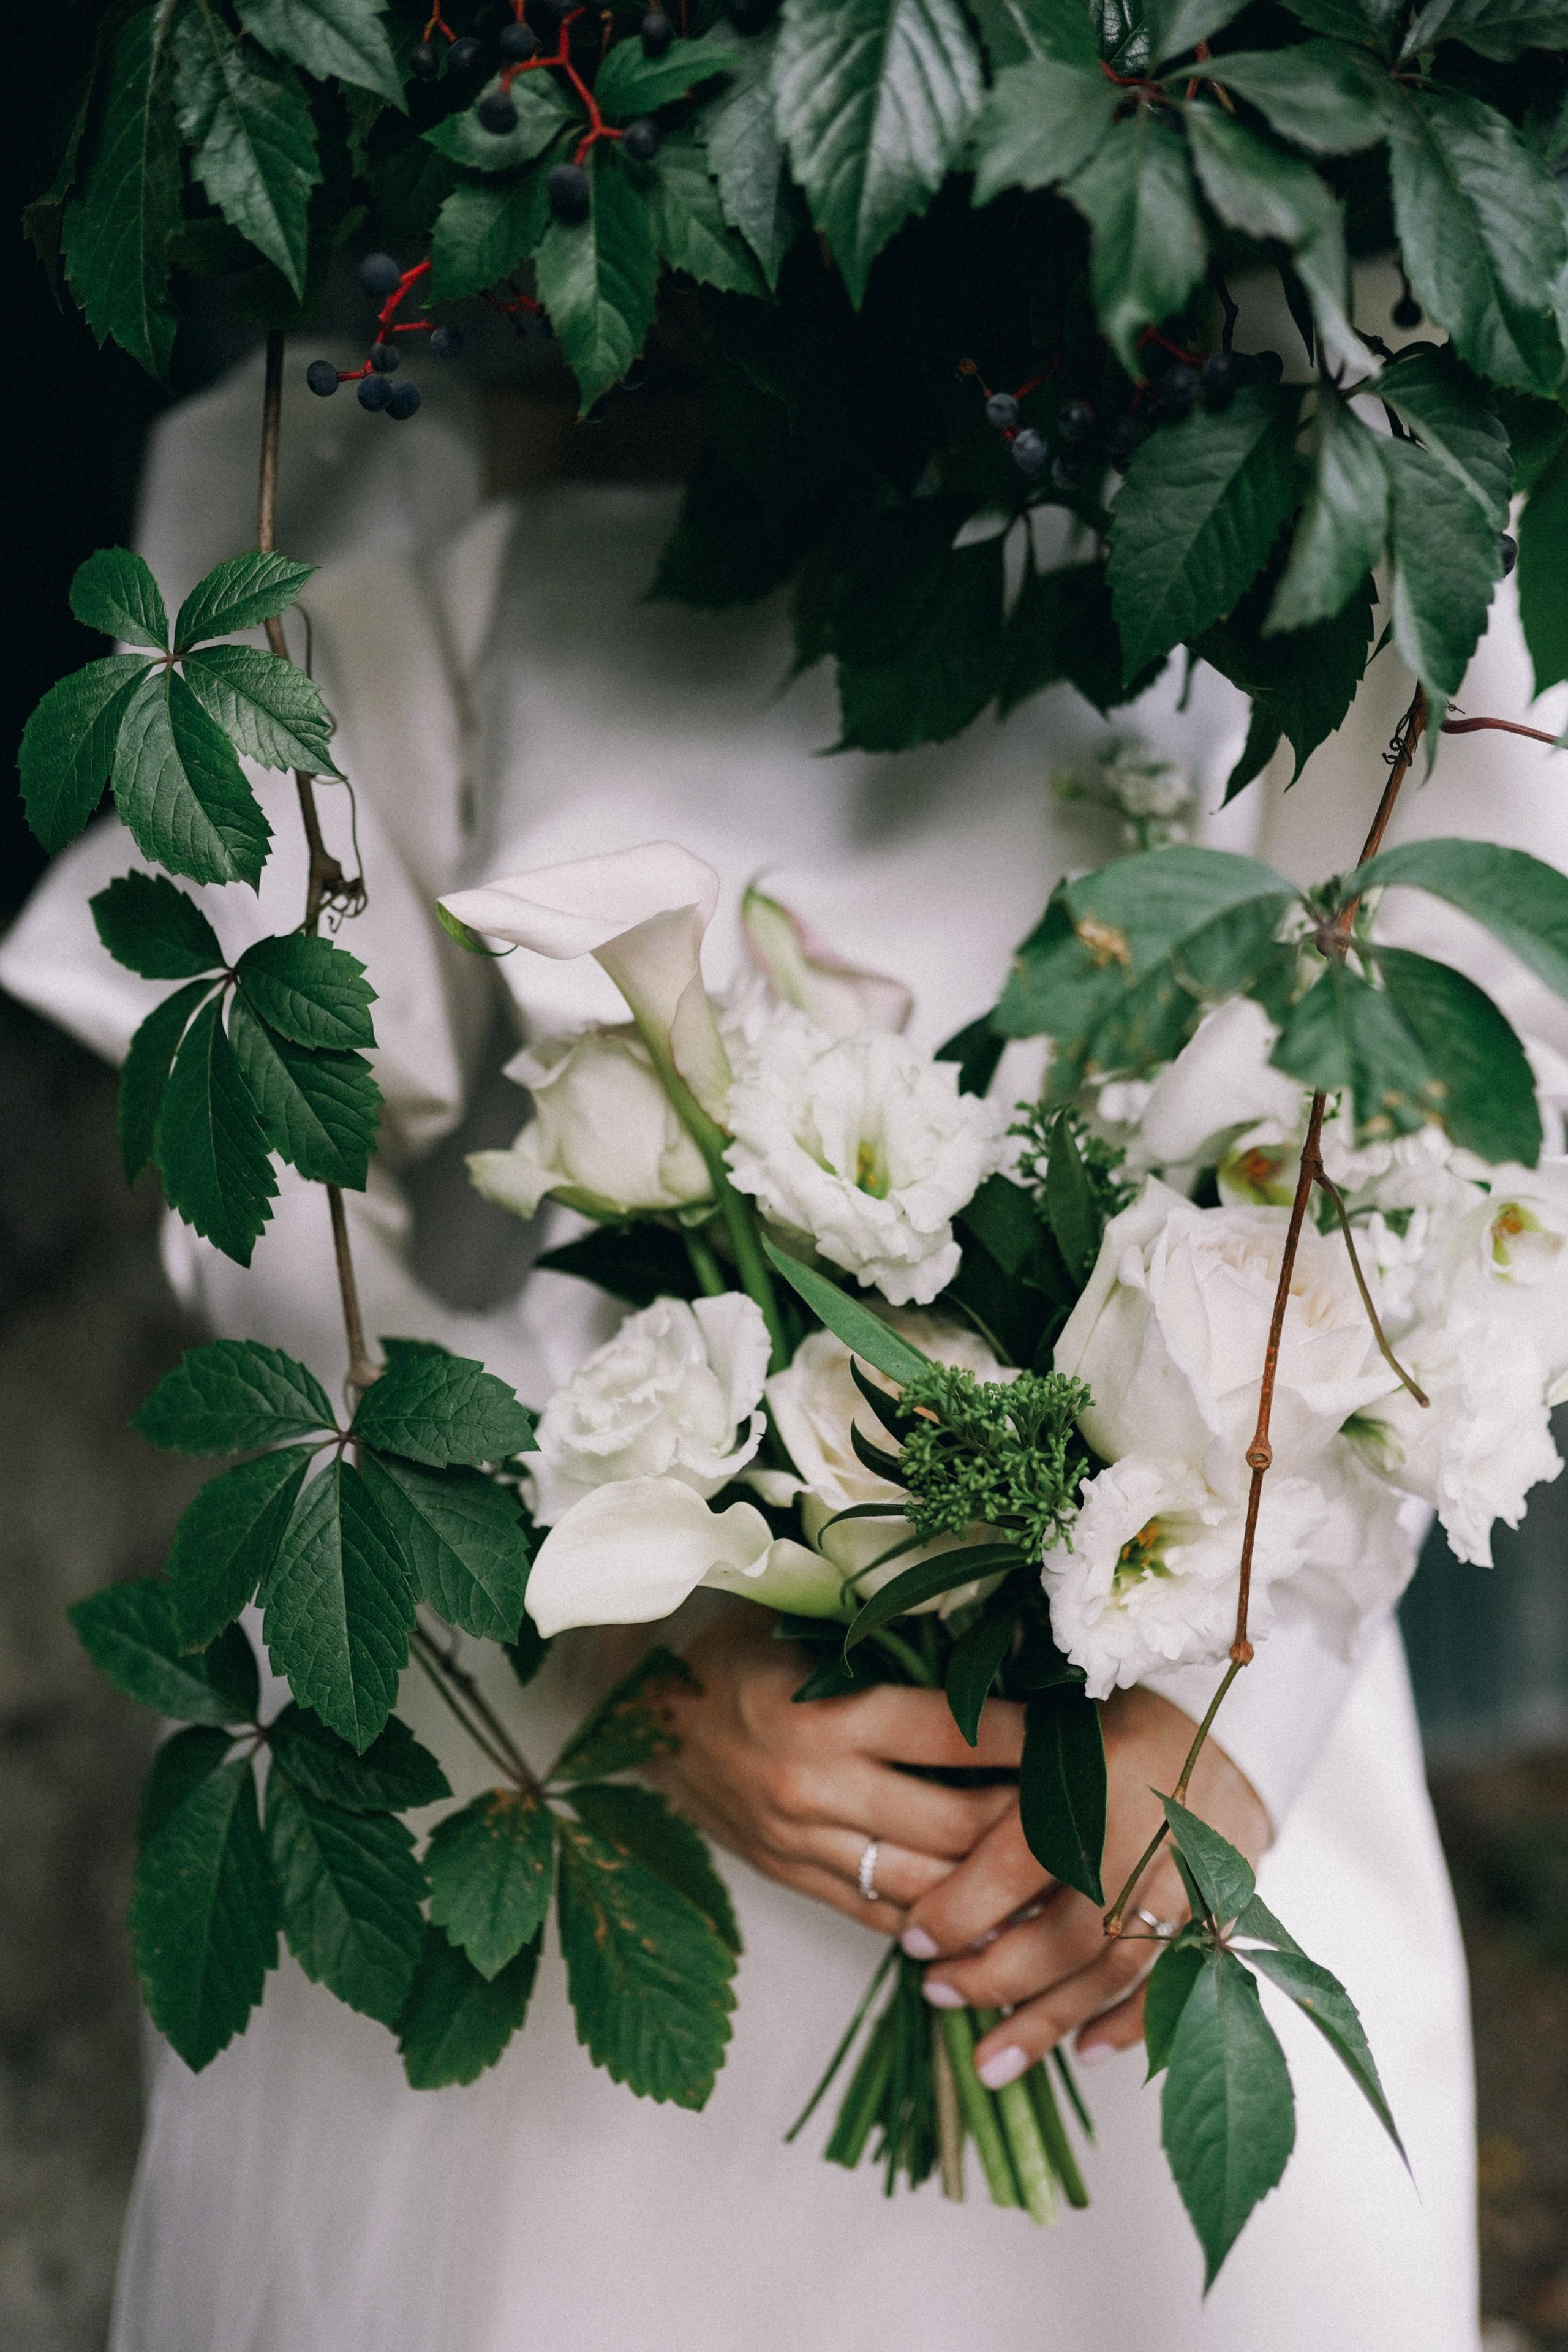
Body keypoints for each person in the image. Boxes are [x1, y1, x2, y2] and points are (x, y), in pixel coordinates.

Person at [11, 271, 1555, 2348]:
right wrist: (643, 1636)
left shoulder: (1343, 330)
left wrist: (1234, 1697)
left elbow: (1486, 1039)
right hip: (597, 1685)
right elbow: (275, 1158)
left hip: (1179, 1725)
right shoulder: (404, 349)